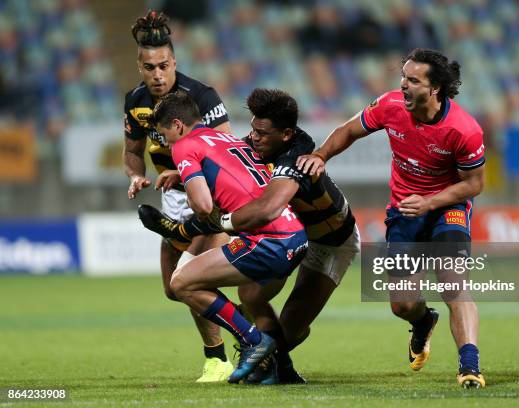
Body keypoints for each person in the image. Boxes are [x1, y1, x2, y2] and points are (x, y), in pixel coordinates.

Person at [138, 88, 360, 383]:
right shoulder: (232, 139)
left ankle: (253, 341)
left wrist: (203, 199)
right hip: (296, 234)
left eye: (261, 132)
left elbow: (263, 209)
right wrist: (186, 177)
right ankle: (282, 368)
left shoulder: (296, 157)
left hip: (331, 240)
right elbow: (227, 165)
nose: (254, 137)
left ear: (285, 134)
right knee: (251, 296)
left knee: (182, 283)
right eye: (253, 128)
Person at [297, 48, 486, 388]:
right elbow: (348, 130)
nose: (404, 85)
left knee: (453, 284)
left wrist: (430, 202)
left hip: (448, 208)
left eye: (414, 80)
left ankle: (469, 366)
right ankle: (424, 320)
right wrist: (321, 155)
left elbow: (475, 184)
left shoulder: (464, 129)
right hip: (404, 212)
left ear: (435, 88)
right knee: (402, 305)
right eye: (404, 77)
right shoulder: (390, 106)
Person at [122, 10, 233, 382]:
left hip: (211, 201)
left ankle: (223, 356)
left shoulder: (202, 96)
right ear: (139, 65)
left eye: (163, 65)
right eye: (149, 67)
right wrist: (136, 175)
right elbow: (132, 151)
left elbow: (227, 150)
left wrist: (186, 170)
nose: (157, 74)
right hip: (173, 203)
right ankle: (249, 331)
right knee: (175, 289)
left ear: (175, 63)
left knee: (192, 281)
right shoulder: (135, 102)